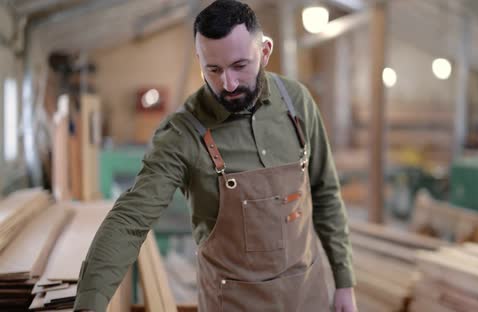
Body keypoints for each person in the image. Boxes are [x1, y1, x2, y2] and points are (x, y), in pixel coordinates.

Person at [73, 0, 356, 311]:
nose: (228, 84)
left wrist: (344, 281)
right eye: (214, 69)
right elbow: (131, 219)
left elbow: (325, 192)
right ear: (200, 60)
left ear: (264, 52)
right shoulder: (181, 134)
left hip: (308, 296)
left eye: (239, 66)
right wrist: (89, 304)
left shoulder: (297, 103)